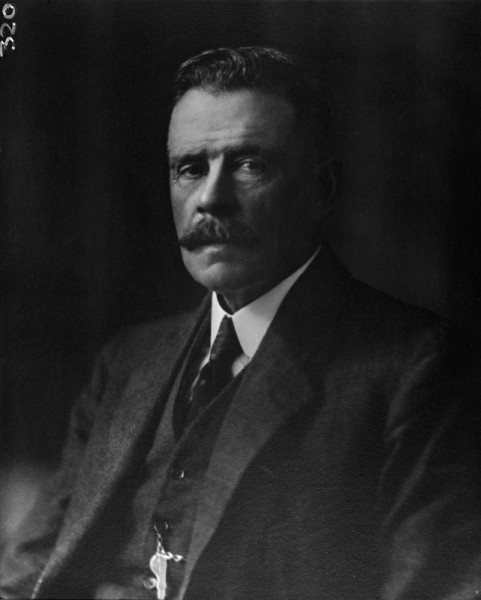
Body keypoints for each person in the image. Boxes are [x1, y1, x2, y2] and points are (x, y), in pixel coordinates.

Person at [1, 46, 481, 600]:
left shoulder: (417, 369)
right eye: (190, 169)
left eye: (250, 164)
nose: (211, 199)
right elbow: (28, 573)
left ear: (321, 189)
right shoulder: (128, 360)